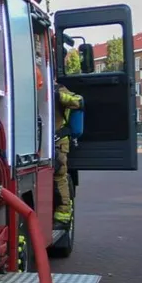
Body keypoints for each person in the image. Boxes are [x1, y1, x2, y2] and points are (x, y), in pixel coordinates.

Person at [54, 84, 84, 223]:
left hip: (58, 142)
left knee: (59, 174)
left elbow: (79, 101)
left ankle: (63, 213)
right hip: (38, 141)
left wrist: (59, 96)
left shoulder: (58, 89)